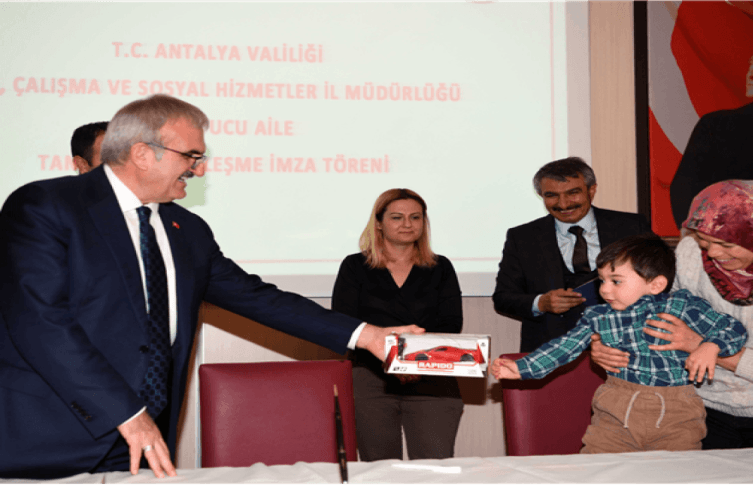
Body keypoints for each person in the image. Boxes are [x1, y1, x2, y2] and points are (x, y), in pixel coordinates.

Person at [0, 94, 421, 480]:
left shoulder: (187, 230)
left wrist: (367, 335)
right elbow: (41, 324)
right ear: (142, 154)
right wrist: (126, 413)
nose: (200, 169)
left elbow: (257, 298)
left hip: (143, 443)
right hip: (50, 436)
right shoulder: (45, 206)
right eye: (192, 156)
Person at [492, 234, 747, 453]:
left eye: (616, 281)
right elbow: (564, 346)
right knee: (600, 470)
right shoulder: (599, 316)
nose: (604, 290)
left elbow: (734, 329)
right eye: (602, 280)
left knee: (674, 474)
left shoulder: (682, 305)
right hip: (615, 415)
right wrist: (522, 368)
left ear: (656, 284)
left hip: (677, 416)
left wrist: (711, 346)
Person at [593, 180, 753, 450]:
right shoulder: (691, 253)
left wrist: (701, 346)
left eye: (726, 243)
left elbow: (688, 339)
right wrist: (605, 343)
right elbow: (656, 310)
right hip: (701, 406)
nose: (713, 253)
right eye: (704, 240)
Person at [331, 188, 464, 461]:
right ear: (379, 223)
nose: (407, 224)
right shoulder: (355, 266)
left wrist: (412, 364)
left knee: (434, 469)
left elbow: (451, 324)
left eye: (415, 217)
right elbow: (345, 324)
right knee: (380, 470)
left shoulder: (440, 267)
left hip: (432, 379)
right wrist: (393, 363)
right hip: (371, 379)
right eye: (397, 217)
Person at [493, 157, 651, 352]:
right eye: (552, 195)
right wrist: (541, 303)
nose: (563, 204)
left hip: (626, 347)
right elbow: (503, 298)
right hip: (549, 353)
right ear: (540, 195)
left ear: (591, 190)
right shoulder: (522, 237)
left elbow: (659, 283)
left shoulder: (632, 227)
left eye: (572, 193)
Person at [670, 45, 753, 227]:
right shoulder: (715, 126)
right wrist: (698, 236)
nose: (752, 74)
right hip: (730, 238)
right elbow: (685, 189)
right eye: (751, 65)